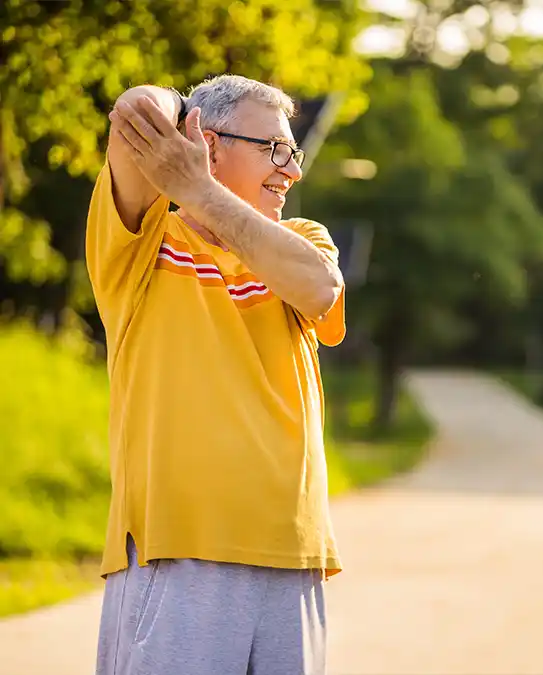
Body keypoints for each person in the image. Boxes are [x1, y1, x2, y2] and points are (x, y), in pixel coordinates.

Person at [86, 74, 346, 675]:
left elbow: (319, 288)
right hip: (180, 550)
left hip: (293, 552)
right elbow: (135, 111)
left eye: (293, 152)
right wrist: (177, 128)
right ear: (206, 142)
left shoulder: (302, 240)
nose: (291, 170)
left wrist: (199, 189)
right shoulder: (141, 248)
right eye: (273, 150)